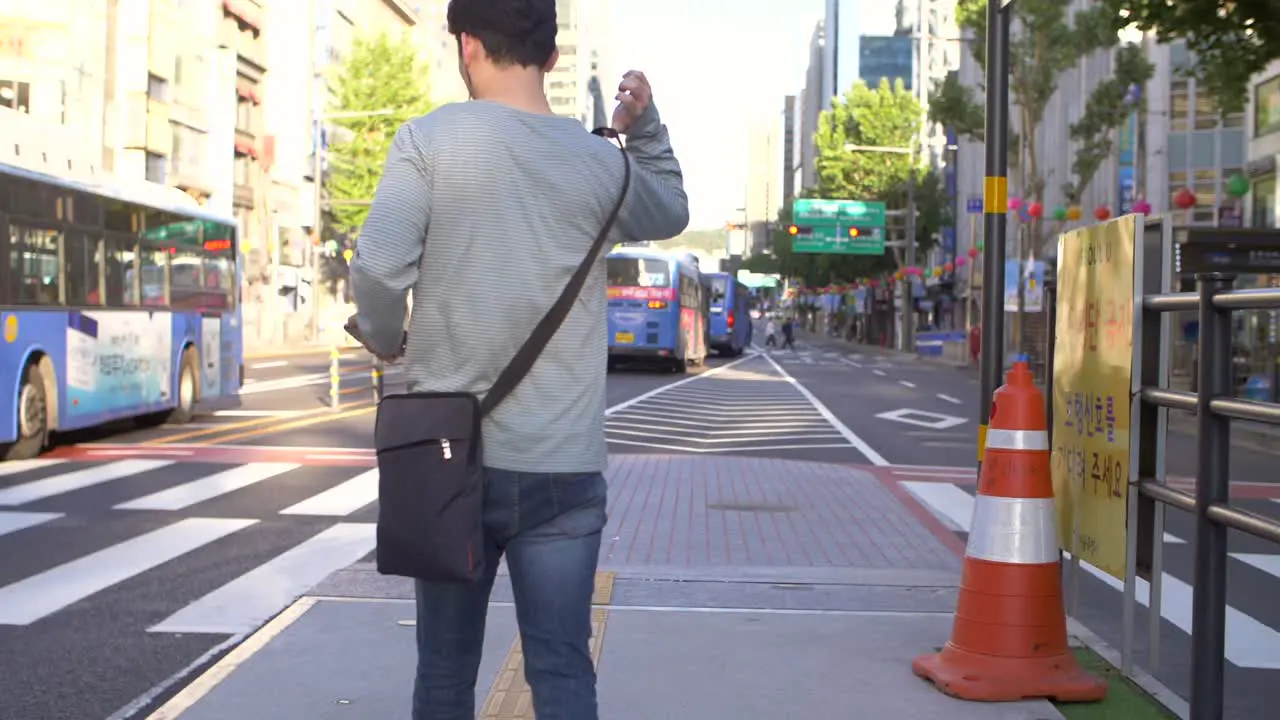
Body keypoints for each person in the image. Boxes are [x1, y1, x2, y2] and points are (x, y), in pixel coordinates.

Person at [347, 1, 688, 717]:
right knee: (561, 671)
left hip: (446, 458)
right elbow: (671, 210)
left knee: (444, 672)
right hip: (561, 465)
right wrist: (644, 127)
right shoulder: (602, 163)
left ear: (466, 45)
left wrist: (383, 337)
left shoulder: (427, 141)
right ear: (552, 57)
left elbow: (378, 271)